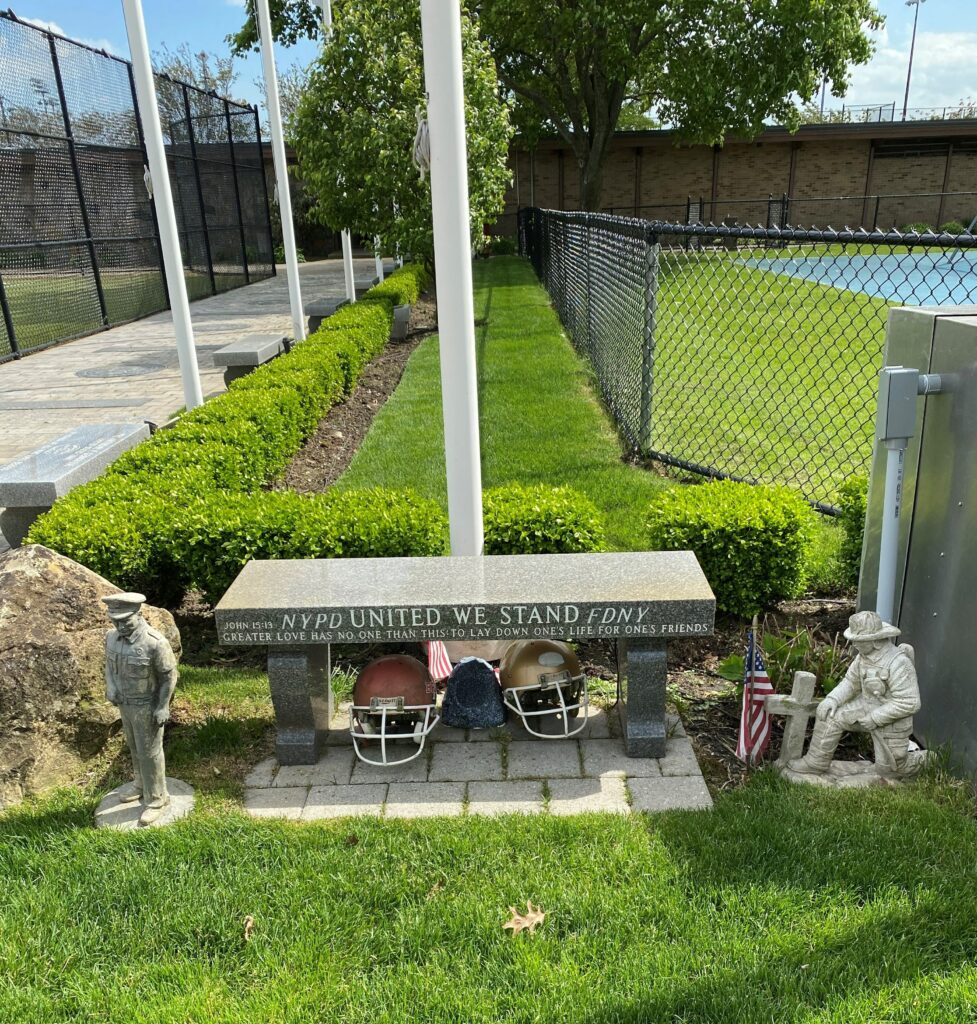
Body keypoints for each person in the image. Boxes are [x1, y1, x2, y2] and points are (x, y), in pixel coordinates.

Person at [791, 610, 922, 777]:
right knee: (830, 716)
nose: (854, 644)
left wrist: (875, 718)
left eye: (858, 641)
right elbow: (850, 683)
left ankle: (925, 759)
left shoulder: (898, 662)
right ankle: (815, 763)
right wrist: (833, 699)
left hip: (892, 719)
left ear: (875, 641)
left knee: (889, 770)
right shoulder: (863, 657)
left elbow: (910, 702)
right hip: (865, 706)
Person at [102, 593, 178, 825]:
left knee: (150, 752)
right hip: (125, 704)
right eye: (115, 621)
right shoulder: (112, 638)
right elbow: (109, 667)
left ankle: (157, 798)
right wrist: (111, 686)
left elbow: (169, 676)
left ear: (139, 615)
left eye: (126, 620)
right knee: (134, 746)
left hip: (147, 705)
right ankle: (140, 783)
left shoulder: (155, 643)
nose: (120, 626)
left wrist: (162, 706)